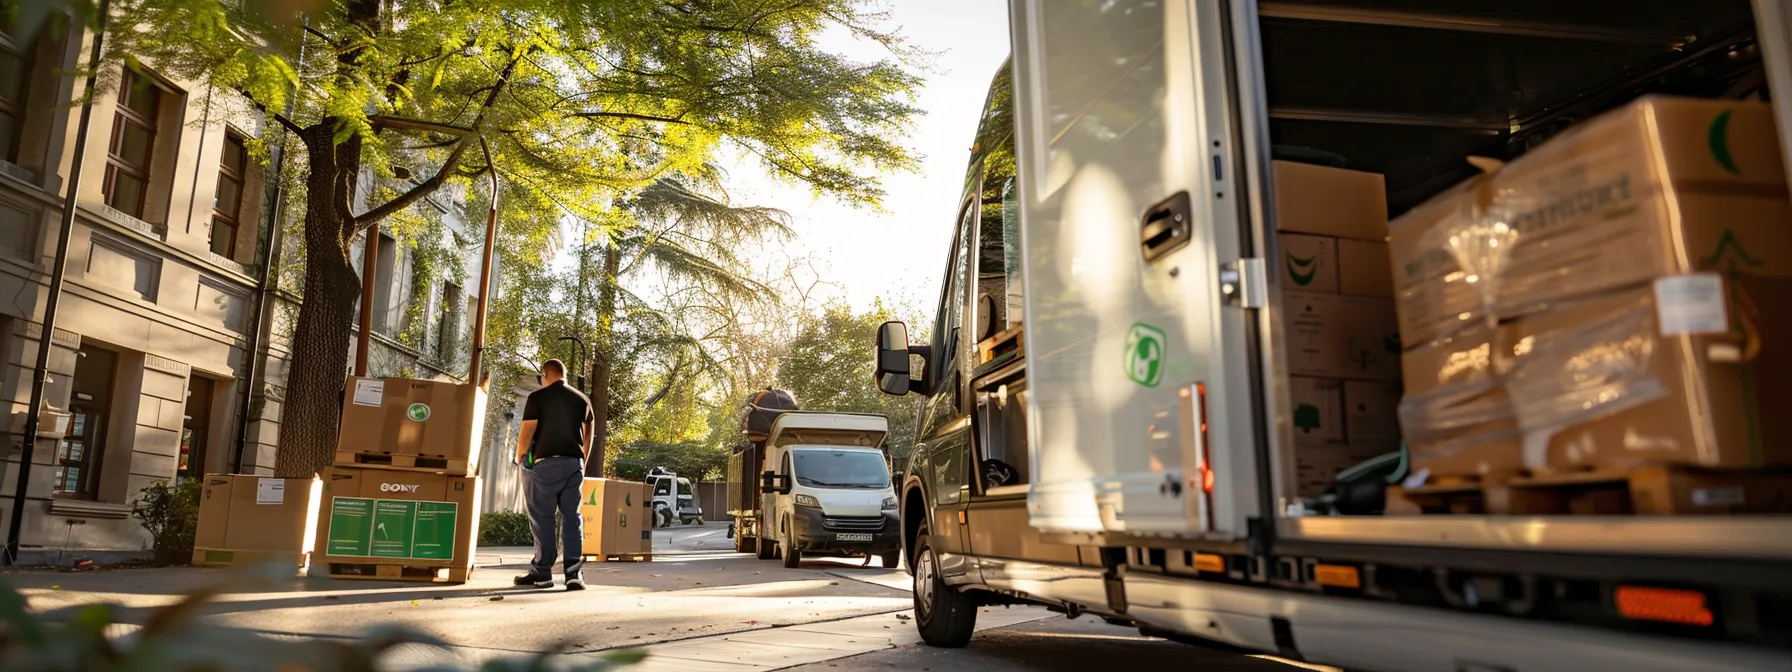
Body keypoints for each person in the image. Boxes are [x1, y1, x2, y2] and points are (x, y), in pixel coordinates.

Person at [514, 359, 593, 590]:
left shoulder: (538, 398)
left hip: (546, 465)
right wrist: (582, 464)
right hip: (574, 465)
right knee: (572, 517)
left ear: (546, 374)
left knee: (542, 518)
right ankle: (573, 573)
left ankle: (543, 574)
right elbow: (588, 436)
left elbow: (526, 432)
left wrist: (521, 456)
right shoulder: (582, 399)